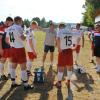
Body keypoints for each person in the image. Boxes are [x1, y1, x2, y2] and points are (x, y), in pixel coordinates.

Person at [6, 16, 33, 90]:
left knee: (13, 66)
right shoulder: (18, 27)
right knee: (23, 67)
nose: (22, 22)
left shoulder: (9, 28)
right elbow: (23, 38)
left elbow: (7, 40)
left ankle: (13, 83)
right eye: (21, 21)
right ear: (18, 21)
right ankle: (26, 85)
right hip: (19, 49)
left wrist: (12, 44)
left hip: (12, 48)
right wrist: (25, 33)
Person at [55, 23, 75, 88]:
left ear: (60, 26)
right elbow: (73, 41)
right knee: (69, 67)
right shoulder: (70, 31)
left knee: (61, 67)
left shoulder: (60, 31)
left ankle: (59, 82)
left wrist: (59, 48)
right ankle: (68, 81)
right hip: (69, 50)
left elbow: (57, 39)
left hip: (63, 51)